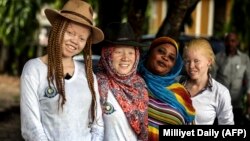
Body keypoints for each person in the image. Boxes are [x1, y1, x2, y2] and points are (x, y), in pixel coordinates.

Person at [20, 0, 104, 140]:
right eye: (70, 32)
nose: (75, 41)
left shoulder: (88, 75)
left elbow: (98, 124)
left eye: (82, 38)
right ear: (57, 29)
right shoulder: (34, 70)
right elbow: (31, 128)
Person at [95, 22, 148, 141]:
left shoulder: (140, 85)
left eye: (130, 52)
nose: (125, 58)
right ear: (107, 54)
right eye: (118, 52)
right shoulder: (97, 84)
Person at [138, 36, 195, 141]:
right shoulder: (132, 82)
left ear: (174, 65)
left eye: (171, 58)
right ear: (150, 52)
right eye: (161, 51)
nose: (165, 57)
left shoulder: (181, 92)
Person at [179, 38, 234, 125]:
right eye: (188, 61)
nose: (191, 66)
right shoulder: (176, 84)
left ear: (209, 61)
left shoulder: (220, 92)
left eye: (196, 61)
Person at [213, 32, 250, 125]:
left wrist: (249, 97)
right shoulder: (218, 57)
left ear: (237, 42)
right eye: (228, 41)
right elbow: (211, 79)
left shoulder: (244, 58)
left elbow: (249, 79)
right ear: (224, 42)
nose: (230, 43)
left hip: (237, 105)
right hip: (220, 104)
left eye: (233, 41)